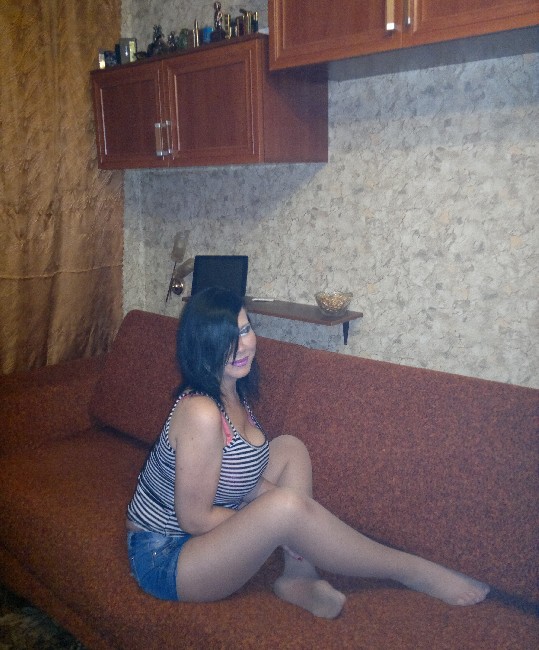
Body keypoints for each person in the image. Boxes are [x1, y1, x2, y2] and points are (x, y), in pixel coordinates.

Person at [126, 287, 489, 617]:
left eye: (244, 329)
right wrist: (280, 523)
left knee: (290, 449)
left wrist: (289, 519)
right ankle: (409, 570)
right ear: (201, 346)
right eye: (224, 340)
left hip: (201, 533)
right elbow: (194, 520)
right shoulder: (201, 412)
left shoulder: (231, 389)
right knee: (284, 509)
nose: (242, 346)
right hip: (168, 556)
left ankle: (298, 575)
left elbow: (237, 475)